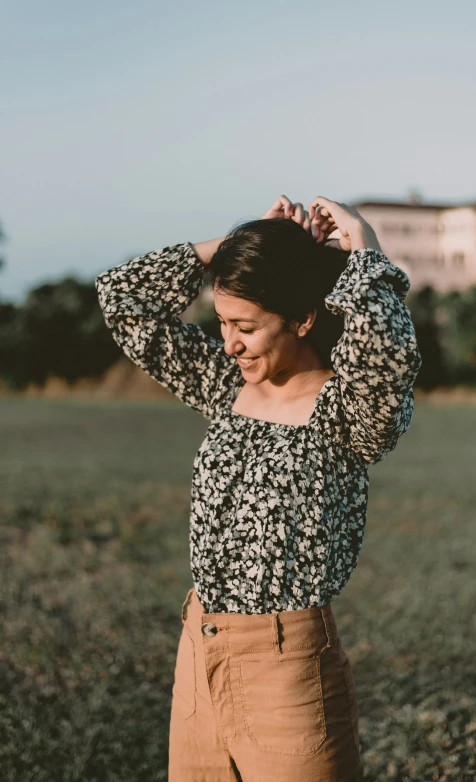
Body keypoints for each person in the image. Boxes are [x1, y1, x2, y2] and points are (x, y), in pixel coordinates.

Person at [95, 195, 422, 781]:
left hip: (287, 667)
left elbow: (387, 353)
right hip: (199, 649)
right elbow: (123, 300)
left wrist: (366, 253)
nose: (229, 344)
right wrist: (241, 248)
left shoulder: (349, 411)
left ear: (302, 319)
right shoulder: (227, 383)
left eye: (246, 327)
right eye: (222, 323)